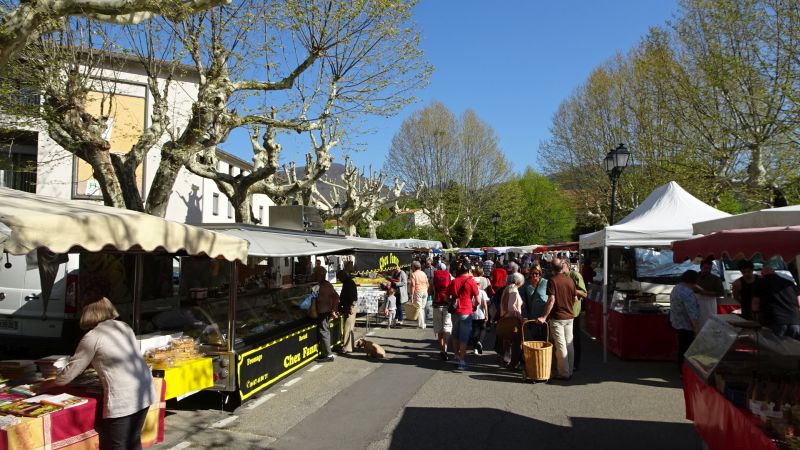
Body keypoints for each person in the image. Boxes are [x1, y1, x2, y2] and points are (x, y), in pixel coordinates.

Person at [39, 282, 155, 450]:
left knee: (118, 445)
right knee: (133, 440)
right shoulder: (124, 327)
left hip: (124, 397)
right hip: (143, 388)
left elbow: (69, 373)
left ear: (88, 312)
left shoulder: (93, 336)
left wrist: (50, 383)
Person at [536, 258, 577, 380]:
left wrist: (544, 317)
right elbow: (575, 299)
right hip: (569, 316)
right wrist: (568, 307)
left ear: (551, 268)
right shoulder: (570, 280)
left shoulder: (552, 281)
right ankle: (569, 370)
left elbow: (551, 300)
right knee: (569, 344)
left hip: (558, 317)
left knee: (561, 346)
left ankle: (564, 373)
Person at [753, 264, 800, 338]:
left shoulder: (761, 283)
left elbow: (755, 302)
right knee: (796, 347)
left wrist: (755, 316)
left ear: (763, 274)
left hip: (775, 321)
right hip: (794, 321)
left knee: (777, 348)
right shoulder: (789, 283)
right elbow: (799, 301)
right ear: (774, 272)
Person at [447, 261, 479, 370]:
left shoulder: (454, 281)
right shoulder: (471, 282)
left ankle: (456, 355)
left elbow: (447, 296)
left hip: (455, 312)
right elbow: (478, 300)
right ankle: (461, 360)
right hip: (466, 311)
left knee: (455, 335)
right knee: (464, 338)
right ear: (469, 271)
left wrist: (453, 302)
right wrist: (474, 306)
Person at [670, 270, 701, 371]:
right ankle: (684, 370)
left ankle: (681, 368)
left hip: (676, 322)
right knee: (687, 349)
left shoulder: (676, 288)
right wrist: (696, 329)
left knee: (681, 348)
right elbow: (692, 313)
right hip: (686, 325)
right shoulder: (688, 292)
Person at [563, 261, 588, 371]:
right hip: (563, 312)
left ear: (568, 265)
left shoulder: (575, 275)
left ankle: (575, 364)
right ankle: (566, 362)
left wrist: (572, 290)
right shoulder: (559, 276)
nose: (560, 267)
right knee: (564, 339)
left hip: (574, 312)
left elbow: (584, 293)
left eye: (562, 265)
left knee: (574, 338)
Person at [500, 272, 524, 369]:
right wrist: (519, 317)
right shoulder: (513, 289)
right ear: (519, 281)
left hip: (506, 318)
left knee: (508, 341)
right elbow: (511, 307)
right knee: (516, 342)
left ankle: (508, 360)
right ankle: (513, 363)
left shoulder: (508, 288)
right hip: (512, 319)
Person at [315, 271, 340, 362]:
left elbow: (313, 297)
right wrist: (333, 309)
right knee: (325, 331)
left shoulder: (320, 286)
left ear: (320, 275)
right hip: (327, 311)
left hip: (322, 311)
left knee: (324, 331)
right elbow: (336, 296)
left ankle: (328, 355)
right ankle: (325, 352)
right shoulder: (328, 285)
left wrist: (333, 309)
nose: (315, 276)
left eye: (316, 274)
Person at [432, 262, 453, 359]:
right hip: (447, 304)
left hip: (437, 304)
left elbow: (429, 291)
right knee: (447, 327)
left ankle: (442, 350)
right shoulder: (450, 277)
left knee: (439, 328)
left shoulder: (434, 277)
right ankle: (446, 349)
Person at [695, 259, 724, 329]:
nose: (707, 270)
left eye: (709, 269)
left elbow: (721, 293)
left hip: (709, 305)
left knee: (709, 324)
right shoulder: (694, 277)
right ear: (700, 267)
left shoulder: (715, 279)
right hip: (695, 303)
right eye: (705, 268)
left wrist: (705, 293)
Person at [337, 266, 358, 354]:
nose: (339, 279)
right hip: (349, 306)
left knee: (348, 327)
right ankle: (349, 346)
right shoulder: (347, 282)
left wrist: (350, 307)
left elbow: (352, 297)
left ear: (343, 276)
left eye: (340, 278)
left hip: (350, 307)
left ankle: (347, 347)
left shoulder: (349, 283)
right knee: (349, 328)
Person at [469, 268, 490, 354]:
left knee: (474, 331)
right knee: (483, 329)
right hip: (481, 314)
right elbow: (485, 304)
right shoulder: (482, 292)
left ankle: (475, 348)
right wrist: (487, 314)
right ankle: (479, 342)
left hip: (473, 315)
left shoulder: (471, 293)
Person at [409, 261, 429, 329]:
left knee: (419, 308)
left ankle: (421, 324)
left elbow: (413, 285)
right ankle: (423, 322)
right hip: (425, 291)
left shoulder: (413, 274)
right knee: (422, 308)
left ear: (414, 267)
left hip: (418, 291)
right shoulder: (423, 273)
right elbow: (427, 283)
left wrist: (411, 295)